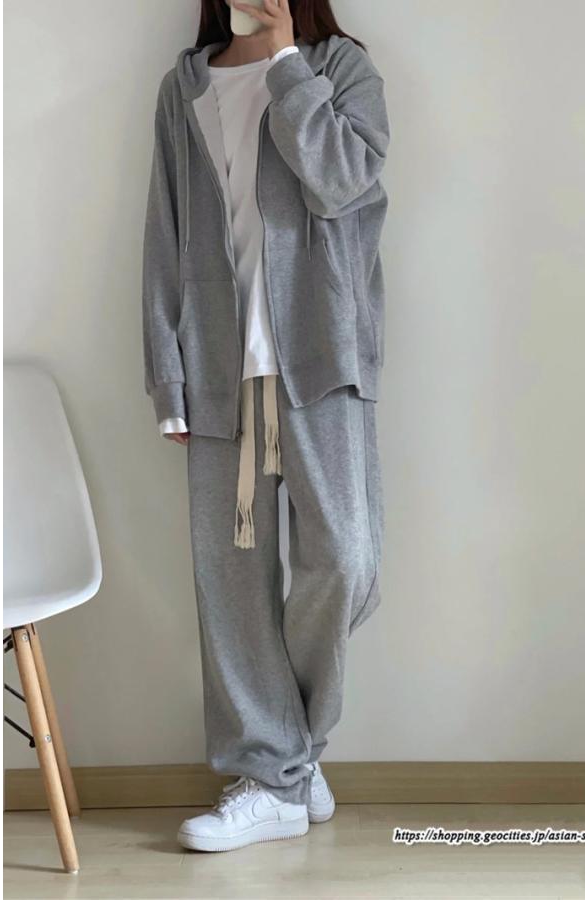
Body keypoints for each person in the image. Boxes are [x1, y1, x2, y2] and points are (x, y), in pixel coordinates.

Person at [141, 0, 389, 852]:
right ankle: (274, 777)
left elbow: (343, 181)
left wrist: (286, 63)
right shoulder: (186, 86)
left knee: (345, 561)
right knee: (235, 583)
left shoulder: (339, 70)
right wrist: (167, 370)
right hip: (222, 373)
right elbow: (165, 231)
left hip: (322, 360)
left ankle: (291, 752)